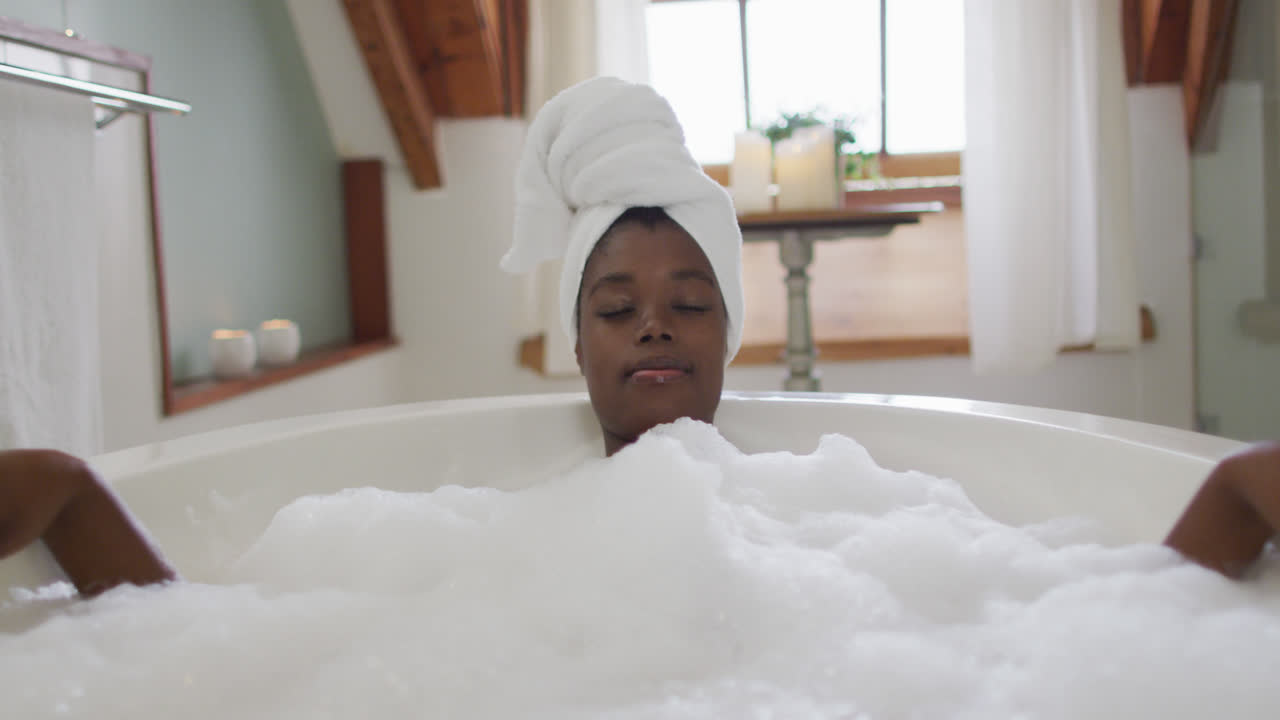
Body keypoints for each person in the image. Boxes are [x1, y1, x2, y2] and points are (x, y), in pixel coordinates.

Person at [1, 78, 1277, 598]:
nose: (653, 320)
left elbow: (1102, 622)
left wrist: (1237, 493)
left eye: (689, 300)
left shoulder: (858, 530)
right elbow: (209, 654)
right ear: (574, 343)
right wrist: (60, 493)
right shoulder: (474, 546)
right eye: (613, 306)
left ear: (731, 335)